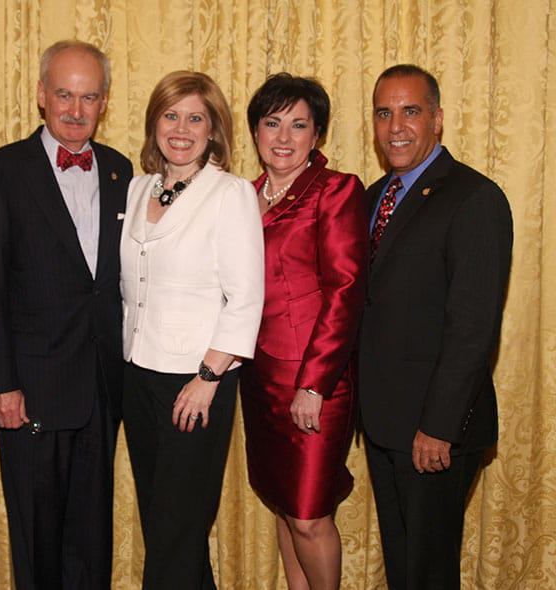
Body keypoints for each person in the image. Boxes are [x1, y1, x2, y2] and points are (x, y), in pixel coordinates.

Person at [0, 40, 133, 589]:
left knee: (91, 541)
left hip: (102, 389)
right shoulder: (0, 171)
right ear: (41, 95)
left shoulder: (119, 170)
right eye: (64, 94)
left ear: (104, 101)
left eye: (89, 97)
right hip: (31, 390)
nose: (75, 109)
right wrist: (0, 384)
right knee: (39, 543)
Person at [360, 64, 513, 589]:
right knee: (403, 566)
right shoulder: (373, 196)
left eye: (411, 111)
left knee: (428, 572)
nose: (396, 126)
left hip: (434, 430)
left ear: (438, 120)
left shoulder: (474, 198)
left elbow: (473, 327)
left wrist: (440, 425)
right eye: (384, 113)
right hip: (383, 422)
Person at [120, 70, 264, 589]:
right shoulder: (139, 189)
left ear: (214, 130)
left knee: (177, 528)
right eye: (171, 115)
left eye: (195, 118)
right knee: (162, 522)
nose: (181, 128)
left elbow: (246, 297)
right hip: (138, 378)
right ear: (155, 123)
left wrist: (208, 379)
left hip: (196, 382)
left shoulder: (231, 194)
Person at [238, 73, 368, 590]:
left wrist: (314, 384)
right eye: (272, 123)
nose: (284, 137)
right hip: (258, 379)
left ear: (318, 134)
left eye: (299, 125)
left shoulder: (336, 190)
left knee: (312, 517)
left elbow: (346, 290)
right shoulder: (242, 196)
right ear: (255, 132)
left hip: (316, 383)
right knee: (285, 506)